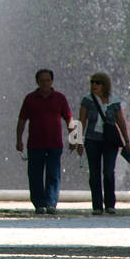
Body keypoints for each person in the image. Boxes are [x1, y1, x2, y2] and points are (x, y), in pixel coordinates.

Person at [15, 69, 76, 215]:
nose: (45, 83)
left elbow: (69, 118)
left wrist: (73, 138)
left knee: (53, 174)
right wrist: (19, 140)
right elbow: (22, 120)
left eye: (47, 80)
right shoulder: (30, 98)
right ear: (37, 82)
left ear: (52, 81)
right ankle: (39, 204)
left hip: (54, 144)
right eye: (42, 80)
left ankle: (51, 203)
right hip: (35, 144)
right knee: (35, 175)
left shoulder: (59, 98)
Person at [78, 72, 130, 215]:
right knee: (94, 173)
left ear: (105, 85)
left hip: (110, 141)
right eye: (92, 82)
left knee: (109, 172)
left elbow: (120, 121)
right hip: (92, 140)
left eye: (97, 82)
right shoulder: (87, 100)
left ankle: (110, 204)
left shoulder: (113, 101)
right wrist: (78, 141)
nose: (94, 85)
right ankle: (97, 205)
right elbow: (81, 121)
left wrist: (126, 141)